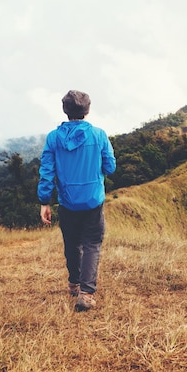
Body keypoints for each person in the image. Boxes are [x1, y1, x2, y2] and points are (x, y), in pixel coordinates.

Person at [38, 90, 116, 311]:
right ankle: (87, 292)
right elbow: (110, 167)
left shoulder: (53, 138)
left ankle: (74, 283)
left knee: (72, 242)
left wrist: (45, 201)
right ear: (87, 110)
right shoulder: (99, 135)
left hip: (67, 202)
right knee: (92, 244)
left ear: (65, 110)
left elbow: (46, 172)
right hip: (93, 200)